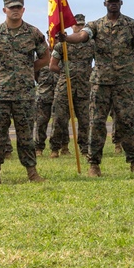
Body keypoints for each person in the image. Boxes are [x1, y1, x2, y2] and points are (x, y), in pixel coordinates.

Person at [59, 0, 134, 176]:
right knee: (96, 122)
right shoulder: (96, 25)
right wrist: (67, 38)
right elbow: (82, 36)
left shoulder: (133, 26)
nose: (113, 3)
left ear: (121, 3)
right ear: (104, 4)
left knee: (126, 122)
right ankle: (94, 164)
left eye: (116, 1)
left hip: (124, 83)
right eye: (110, 1)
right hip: (100, 83)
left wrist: (126, 61)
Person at [0, 0, 50, 184]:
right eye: (11, 7)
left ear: (23, 9)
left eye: (18, 7)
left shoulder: (33, 33)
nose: (15, 10)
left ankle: (32, 173)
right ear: (4, 10)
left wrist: (26, 70)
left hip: (24, 94)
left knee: (26, 136)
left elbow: (45, 58)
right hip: (0, 94)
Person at [49, 14, 93, 159]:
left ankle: (85, 148)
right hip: (65, 86)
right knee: (59, 119)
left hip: (84, 87)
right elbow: (52, 65)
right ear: (71, 26)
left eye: (82, 25)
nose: (79, 27)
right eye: (76, 25)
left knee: (85, 120)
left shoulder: (91, 44)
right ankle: (56, 148)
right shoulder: (62, 45)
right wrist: (65, 73)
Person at [32, 64, 58, 156]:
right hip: (43, 95)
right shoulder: (42, 55)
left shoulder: (61, 55)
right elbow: (36, 74)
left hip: (58, 95)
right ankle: (38, 148)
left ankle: (57, 148)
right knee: (41, 122)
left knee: (58, 123)